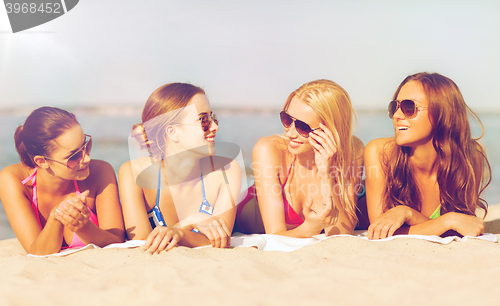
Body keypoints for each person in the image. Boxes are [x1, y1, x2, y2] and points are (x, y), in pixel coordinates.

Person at [364, 72, 491, 239]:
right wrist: (449, 221)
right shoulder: (380, 152)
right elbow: (379, 231)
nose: (396, 116)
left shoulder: (470, 158)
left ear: (443, 112)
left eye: (409, 107)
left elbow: (464, 227)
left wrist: (409, 214)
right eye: (395, 107)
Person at [118, 83, 241, 253]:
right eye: (203, 120)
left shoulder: (227, 171)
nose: (215, 127)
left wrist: (179, 233)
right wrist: (189, 222)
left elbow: (221, 240)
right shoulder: (133, 173)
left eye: (213, 118)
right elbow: (140, 242)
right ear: (173, 132)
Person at [236, 79, 365, 237]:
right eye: (287, 119)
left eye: (302, 127)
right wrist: (311, 228)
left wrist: (327, 175)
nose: (290, 133)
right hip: (242, 218)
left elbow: (342, 233)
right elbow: (275, 235)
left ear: (331, 129)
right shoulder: (269, 150)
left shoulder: (352, 150)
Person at [0, 107, 125, 255]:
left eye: (86, 145)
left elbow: (117, 241)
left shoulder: (100, 172)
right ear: (42, 161)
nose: (87, 158)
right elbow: (37, 252)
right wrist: (57, 218)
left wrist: (84, 227)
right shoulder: (13, 179)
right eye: (74, 156)